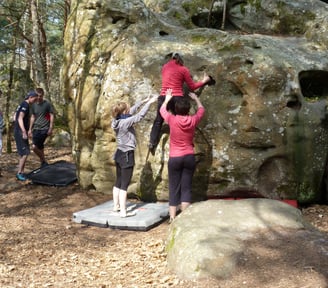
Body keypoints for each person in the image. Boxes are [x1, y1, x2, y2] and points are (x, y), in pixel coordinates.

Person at [148, 52, 212, 153]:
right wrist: (204, 81)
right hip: (177, 97)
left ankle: (152, 142)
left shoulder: (165, 67)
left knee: (158, 120)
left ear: (172, 58)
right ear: (181, 60)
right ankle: (185, 142)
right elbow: (192, 87)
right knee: (182, 121)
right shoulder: (183, 69)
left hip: (164, 95)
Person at [160, 88, 205, 222]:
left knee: (174, 187)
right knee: (186, 187)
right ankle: (184, 219)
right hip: (189, 156)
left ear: (176, 109)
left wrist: (167, 99)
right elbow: (202, 110)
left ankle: (172, 218)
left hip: (175, 157)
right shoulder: (193, 120)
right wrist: (196, 99)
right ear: (188, 109)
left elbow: (162, 110)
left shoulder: (172, 120)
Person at [111, 95, 157, 217]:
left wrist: (143, 100)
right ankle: (123, 212)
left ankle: (116, 206)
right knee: (124, 185)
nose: (130, 109)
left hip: (119, 154)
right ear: (124, 112)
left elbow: (131, 111)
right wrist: (150, 103)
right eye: (128, 109)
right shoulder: (126, 122)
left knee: (118, 182)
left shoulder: (116, 120)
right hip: (126, 156)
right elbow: (139, 116)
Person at [14, 90, 38, 181]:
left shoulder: (23, 104)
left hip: (18, 130)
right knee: (25, 153)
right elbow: (20, 118)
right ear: (30, 97)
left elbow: (15, 116)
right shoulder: (25, 105)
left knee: (23, 152)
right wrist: (24, 131)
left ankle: (22, 172)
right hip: (20, 132)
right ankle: (19, 173)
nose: (35, 101)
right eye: (34, 99)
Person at [28, 87, 55, 167]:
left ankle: (43, 160)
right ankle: (43, 163)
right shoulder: (33, 105)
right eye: (38, 96)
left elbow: (52, 115)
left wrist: (50, 128)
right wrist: (29, 129)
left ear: (43, 95)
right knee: (40, 146)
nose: (39, 98)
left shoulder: (47, 104)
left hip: (45, 129)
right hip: (36, 129)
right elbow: (32, 117)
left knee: (34, 147)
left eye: (41, 96)